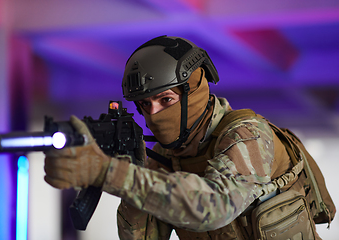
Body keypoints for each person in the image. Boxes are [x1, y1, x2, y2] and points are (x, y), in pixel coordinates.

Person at [44, 36, 331, 239]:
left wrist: (110, 173)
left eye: (165, 99)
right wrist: (132, 169)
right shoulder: (165, 159)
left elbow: (216, 206)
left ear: (193, 92)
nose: (153, 114)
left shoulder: (247, 134)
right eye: (145, 104)